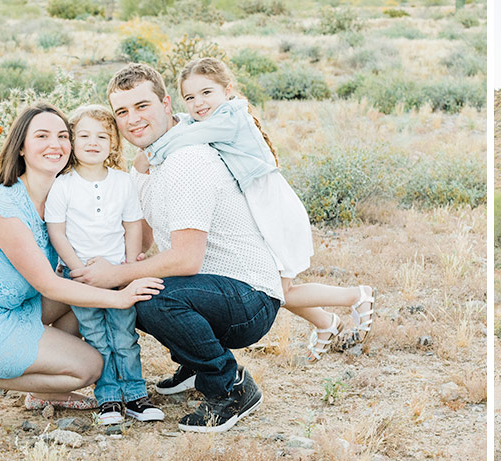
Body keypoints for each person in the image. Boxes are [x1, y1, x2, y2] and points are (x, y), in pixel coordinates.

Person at [72, 63, 281, 433]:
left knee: (148, 296)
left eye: (142, 106)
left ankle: (229, 387)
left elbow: (186, 258)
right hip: (213, 288)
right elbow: (147, 238)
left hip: (250, 298)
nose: (132, 119)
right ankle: (194, 364)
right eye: (122, 111)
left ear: (166, 103)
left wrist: (117, 275)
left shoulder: (187, 161)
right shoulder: (151, 161)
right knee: (131, 287)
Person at [0, 103, 164, 425]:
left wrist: (141, 174)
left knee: (84, 281)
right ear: (21, 147)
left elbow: (127, 234)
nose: (55, 144)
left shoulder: (61, 194)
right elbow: (48, 285)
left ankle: (41, 386)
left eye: (63, 135)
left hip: (15, 308)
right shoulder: (4, 206)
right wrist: (120, 296)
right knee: (89, 367)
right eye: (42, 136)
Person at [133, 57, 375, 361]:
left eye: (207, 93)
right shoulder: (209, 119)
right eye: (190, 97)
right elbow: (184, 124)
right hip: (257, 208)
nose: (198, 103)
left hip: (273, 208)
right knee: (275, 287)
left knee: (277, 290)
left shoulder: (230, 117)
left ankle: (355, 296)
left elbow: (185, 135)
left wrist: (148, 153)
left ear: (228, 90)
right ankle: (325, 322)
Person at [44, 104, 163, 426]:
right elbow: (57, 231)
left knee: (124, 335)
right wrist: (75, 269)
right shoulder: (63, 184)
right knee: (95, 334)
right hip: (80, 278)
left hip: (118, 274)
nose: (93, 142)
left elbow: (132, 224)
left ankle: (136, 395)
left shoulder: (122, 182)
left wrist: (129, 262)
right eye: (84, 135)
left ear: (113, 144)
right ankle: (108, 398)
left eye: (102, 135)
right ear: (71, 140)